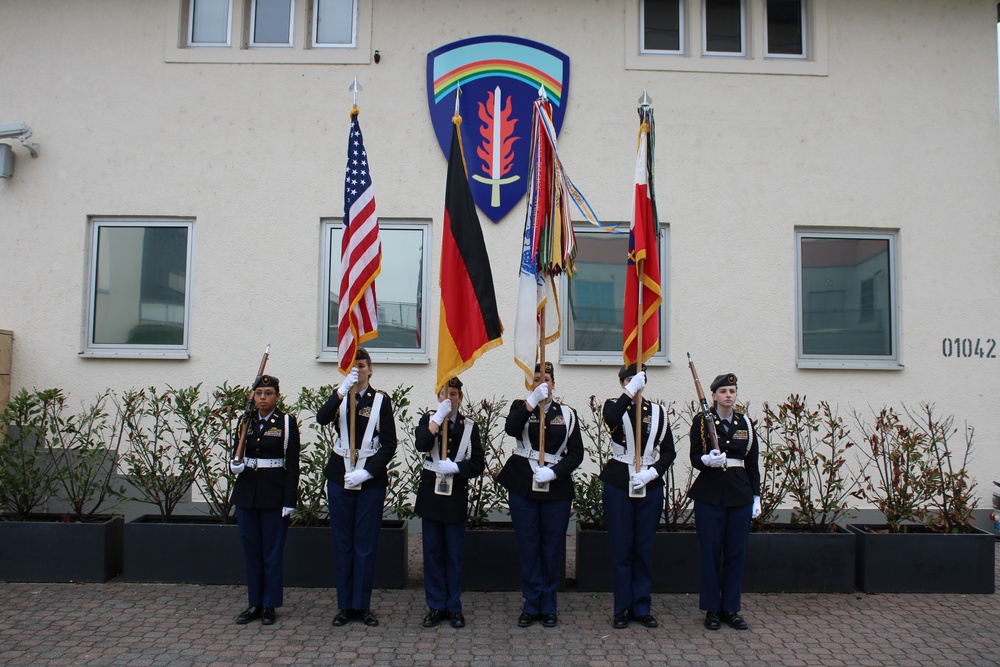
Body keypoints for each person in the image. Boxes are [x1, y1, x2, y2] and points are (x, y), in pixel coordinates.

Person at [498, 361, 583, 628]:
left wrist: (556, 473)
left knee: (552, 545)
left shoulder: (567, 414)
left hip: (555, 487)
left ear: (554, 383)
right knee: (528, 544)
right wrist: (530, 402)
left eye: (545, 379)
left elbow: (577, 454)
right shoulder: (520, 407)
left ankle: (549, 605)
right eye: (536, 379)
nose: (541, 383)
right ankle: (531, 602)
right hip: (524, 483)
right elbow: (511, 429)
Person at [317, 348, 397, 628]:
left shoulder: (380, 401)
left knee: (364, 544)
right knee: (342, 543)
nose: (358, 370)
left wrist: (367, 471)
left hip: (369, 479)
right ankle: (344, 606)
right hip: (340, 475)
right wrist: (341, 389)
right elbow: (321, 418)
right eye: (353, 366)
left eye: (362, 366)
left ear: (371, 370)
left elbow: (389, 444)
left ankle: (361, 605)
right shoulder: (341, 396)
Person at [600, 364, 676, 629]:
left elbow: (669, 451)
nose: (634, 383)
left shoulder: (658, 412)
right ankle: (621, 608)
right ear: (622, 383)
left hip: (649, 484)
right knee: (622, 549)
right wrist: (629, 394)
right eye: (629, 379)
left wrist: (653, 473)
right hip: (620, 481)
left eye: (639, 380)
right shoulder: (613, 405)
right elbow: (611, 420)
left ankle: (642, 607)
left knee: (643, 549)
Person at [687, 373, 761, 631]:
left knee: (735, 553)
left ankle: (730, 608)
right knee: (710, 552)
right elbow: (695, 456)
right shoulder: (702, 421)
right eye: (724, 391)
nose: (729, 395)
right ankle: (711, 609)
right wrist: (707, 460)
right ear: (714, 395)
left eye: (732, 390)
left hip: (740, 494)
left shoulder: (746, 423)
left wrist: (756, 496)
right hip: (710, 494)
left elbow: (752, 463)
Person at [413, 377, 486, 629]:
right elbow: (421, 444)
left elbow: (478, 462)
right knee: (432, 553)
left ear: (461, 398)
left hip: (455, 496)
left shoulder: (469, 427)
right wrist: (436, 420)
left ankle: (454, 606)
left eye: (454, 394)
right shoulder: (428, 420)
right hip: (431, 497)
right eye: (445, 394)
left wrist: (458, 467)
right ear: (438, 397)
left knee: (454, 555)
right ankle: (435, 606)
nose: (450, 398)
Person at [229, 374, 300, 627]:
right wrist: (234, 465)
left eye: (268, 393)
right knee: (251, 551)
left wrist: (289, 499)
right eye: (258, 393)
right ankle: (254, 603)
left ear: (277, 396)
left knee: (271, 552)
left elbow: (292, 465)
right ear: (253, 396)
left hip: (274, 494)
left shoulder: (287, 423)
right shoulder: (244, 420)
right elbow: (236, 452)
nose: (262, 398)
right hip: (247, 492)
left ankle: (270, 604)